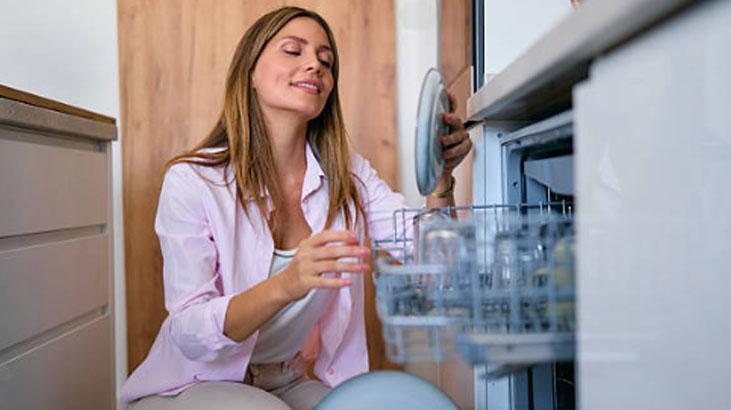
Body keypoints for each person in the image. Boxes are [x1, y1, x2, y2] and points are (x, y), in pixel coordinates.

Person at [121, 6, 472, 410]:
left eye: (326, 61)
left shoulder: (348, 176)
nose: (314, 66)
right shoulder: (193, 180)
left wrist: (441, 179)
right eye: (293, 51)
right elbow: (189, 331)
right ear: (250, 73)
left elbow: (439, 268)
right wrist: (288, 283)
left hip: (284, 381)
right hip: (190, 384)